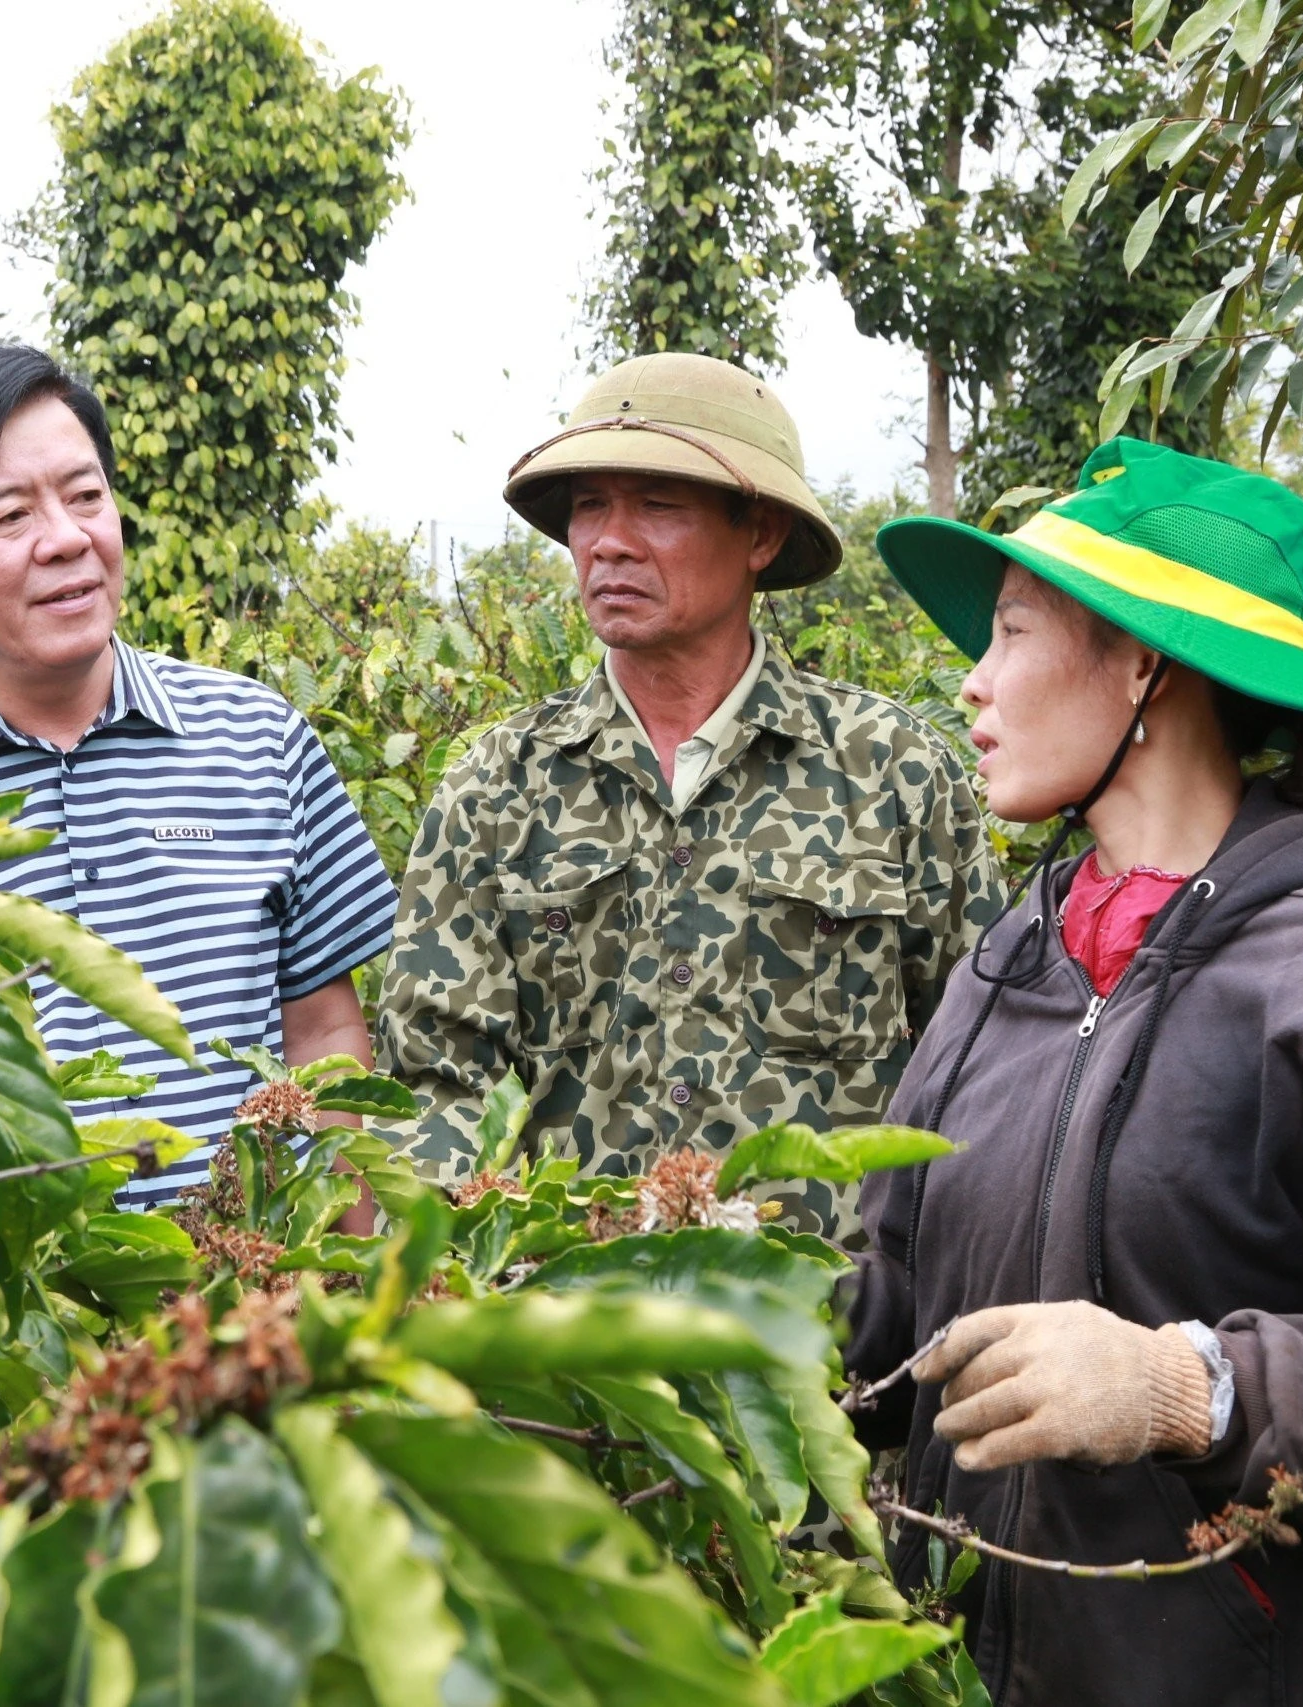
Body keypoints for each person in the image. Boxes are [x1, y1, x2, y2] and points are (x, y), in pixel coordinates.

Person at [848, 436, 1303, 1703]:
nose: (971, 685)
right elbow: (891, 1316)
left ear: (1144, 662)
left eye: (1012, 633)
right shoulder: (1009, 965)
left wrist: (1193, 1391)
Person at [376, 352, 1003, 1235]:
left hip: (837, 1338)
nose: (609, 541)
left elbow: (984, 1064)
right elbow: (437, 1080)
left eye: (658, 505)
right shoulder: (497, 787)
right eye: (590, 504)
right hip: (575, 1334)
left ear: (761, 534)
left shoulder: (892, 773)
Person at [0, 345, 399, 1209]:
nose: (67, 539)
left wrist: (335, 1261)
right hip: (15, 1320)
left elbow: (325, 1027)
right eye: (8, 518)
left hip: (259, 1307)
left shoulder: (258, 739)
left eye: (85, 497)